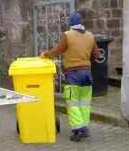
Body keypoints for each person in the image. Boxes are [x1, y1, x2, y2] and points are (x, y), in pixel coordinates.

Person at [40, 12, 101, 142]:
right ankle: (84, 127)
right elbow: (97, 54)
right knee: (84, 103)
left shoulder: (68, 35)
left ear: (70, 23)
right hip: (87, 74)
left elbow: (57, 50)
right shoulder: (90, 36)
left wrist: (45, 54)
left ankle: (80, 130)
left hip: (73, 74)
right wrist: (86, 62)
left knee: (73, 103)